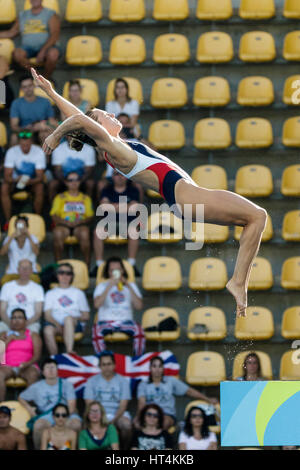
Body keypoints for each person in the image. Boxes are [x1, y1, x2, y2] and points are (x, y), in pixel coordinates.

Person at [32, 68, 268, 318]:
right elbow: (81, 122)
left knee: (254, 218)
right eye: (105, 115)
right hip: (187, 197)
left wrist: (51, 92)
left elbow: (80, 119)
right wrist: (56, 135)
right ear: (99, 128)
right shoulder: (114, 149)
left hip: (186, 197)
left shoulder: (115, 146)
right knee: (258, 216)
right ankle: (239, 282)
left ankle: (239, 282)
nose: (112, 114)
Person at [135, 356, 218, 431]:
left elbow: (189, 391)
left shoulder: (170, 381)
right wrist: (140, 418)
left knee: (163, 423)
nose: (157, 369)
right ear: (150, 368)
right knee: (136, 424)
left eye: (160, 366)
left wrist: (208, 399)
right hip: (149, 414)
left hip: (167, 414)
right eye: (154, 366)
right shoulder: (143, 384)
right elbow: (141, 403)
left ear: (163, 368)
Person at [18, 357, 81, 450]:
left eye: (53, 367)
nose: (51, 370)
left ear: (57, 370)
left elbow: (71, 406)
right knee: (38, 426)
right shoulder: (36, 387)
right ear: (43, 372)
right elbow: (21, 397)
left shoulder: (67, 384)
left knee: (76, 424)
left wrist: (62, 419)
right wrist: (29, 409)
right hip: (48, 415)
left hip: (66, 413)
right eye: (48, 368)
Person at [92, 257, 145, 357]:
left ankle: (137, 361)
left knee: (139, 330)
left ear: (122, 270)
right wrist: (109, 286)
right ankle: (103, 360)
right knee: (96, 330)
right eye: (112, 270)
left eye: (117, 270)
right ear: (108, 272)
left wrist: (128, 286)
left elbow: (139, 306)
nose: (114, 273)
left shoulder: (131, 286)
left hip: (126, 321)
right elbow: (96, 305)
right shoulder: (101, 286)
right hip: (106, 321)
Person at [93, 172, 142, 275]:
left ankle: (131, 264)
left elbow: (134, 208)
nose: (119, 177)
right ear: (112, 177)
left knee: (134, 231)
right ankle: (99, 265)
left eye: (122, 174)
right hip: (109, 223)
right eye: (116, 174)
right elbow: (103, 207)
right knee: (97, 231)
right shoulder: (107, 190)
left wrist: (113, 206)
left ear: (127, 177)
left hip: (128, 223)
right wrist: (125, 206)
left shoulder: (133, 190)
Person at [0, 0, 60, 79]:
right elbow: (12, 32)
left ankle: (47, 78)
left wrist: (43, 50)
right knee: (17, 54)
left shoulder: (50, 14)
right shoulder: (23, 15)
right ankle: (39, 78)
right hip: (28, 48)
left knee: (53, 54)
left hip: (47, 47)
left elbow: (55, 34)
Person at [84, 351, 132, 450]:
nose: (106, 367)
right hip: (98, 413)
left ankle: (124, 448)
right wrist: (101, 419)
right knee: (83, 426)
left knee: (126, 425)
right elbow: (90, 404)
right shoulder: (91, 381)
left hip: (117, 414)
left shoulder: (123, 381)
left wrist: (113, 421)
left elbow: (123, 406)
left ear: (114, 365)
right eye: (104, 364)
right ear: (99, 366)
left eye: (109, 364)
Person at [43, 262, 90, 355]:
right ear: (57, 275)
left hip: (74, 324)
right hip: (55, 324)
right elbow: (47, 315)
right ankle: (54, 359)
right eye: (61, 272)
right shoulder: (50, 293)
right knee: (47, 330)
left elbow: (86, 316)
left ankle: (69, 352)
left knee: (68, 319)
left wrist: (73, 319)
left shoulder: (79, 293)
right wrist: (58, 325)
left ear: (72, 276)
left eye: (68, 273)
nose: (64, 275)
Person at [1, 130, 46, 227]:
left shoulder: (38, 152)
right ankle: (8, 221)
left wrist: (29, 181)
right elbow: (7, 176)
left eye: (27, 143)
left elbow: (40, 177)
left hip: (32, 182)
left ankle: (37, 219)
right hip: (16, 182)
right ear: (19, 142)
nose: (25, 145)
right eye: (23, 143)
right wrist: (17, 180)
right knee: (4, 187)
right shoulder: (12, 152)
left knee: (40, 188)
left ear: (31, 142)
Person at [50, 171, 94, 265]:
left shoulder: (86, 198)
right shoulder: (60, 197)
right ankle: (58, 266)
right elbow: (54, 215)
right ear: (66, 182)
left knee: (85, 233)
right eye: (70, 180)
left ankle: (87, 266)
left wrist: (79, 222)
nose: (74, 182)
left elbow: (90, 216)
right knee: (57, 233)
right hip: (63, 225)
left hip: (80, 225)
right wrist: (66, 223)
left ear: (80, 182)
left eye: (77, 180)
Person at [0, 308, 42, 402]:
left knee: (33, 374)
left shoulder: (33, 335)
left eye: (20, 317)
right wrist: (9, 340)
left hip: (27, 366)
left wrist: (27, 363)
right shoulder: (4, 334)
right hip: (7, 366)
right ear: (10, 321)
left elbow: (37, 355)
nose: (16, 320)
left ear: (25, 321)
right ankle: (1, 408)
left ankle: (28, 407)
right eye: (14, 318)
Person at [9, 75, 57, 145]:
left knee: (45, 134)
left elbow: (52, 122)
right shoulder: (16, 103)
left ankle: (45, 156)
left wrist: (42, 125)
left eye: (30, 85)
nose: (28, 89)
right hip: (26, 132)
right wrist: (25, 129)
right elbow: (14, 126)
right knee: (14, 138)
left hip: (41, 129)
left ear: (34, 85)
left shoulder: (45, 101)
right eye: (24, 87)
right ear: (21, 89)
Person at [0, 259, 44, 334]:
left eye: (28, 268)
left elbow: (38, 312)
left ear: (31, 271)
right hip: (8, 322)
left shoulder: (38, 288)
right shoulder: (7, 286)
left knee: (34, 338)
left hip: (30, 323)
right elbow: (2, 310)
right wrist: (11, 324)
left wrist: (24, 324)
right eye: (22, 268)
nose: (25, 270)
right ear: (17, 270)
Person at [49, 135, 96, 201]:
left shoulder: (89, 149)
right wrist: (68, 182)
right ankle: (54, 208)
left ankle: (87, 206)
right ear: (66, 136)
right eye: (71, 135)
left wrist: (77, 182)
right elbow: (57, 171)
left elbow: (88, 172)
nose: (73, 137)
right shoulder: (58, 149)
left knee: (90, 183)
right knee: (53, 184)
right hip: (63, 180)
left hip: (81, 180)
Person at [0, 214, 40, 285]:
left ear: (27, 226)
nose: (21, 227)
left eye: (23, 225)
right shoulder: (9, 238)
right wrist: (11, 237)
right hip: (12, 272)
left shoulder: (33, 238)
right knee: (3, 282)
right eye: (19, 225)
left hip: (30, 273)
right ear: (15, 226)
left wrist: (28, 235)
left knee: (36, 281)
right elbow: (2, 253)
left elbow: (36, 252)